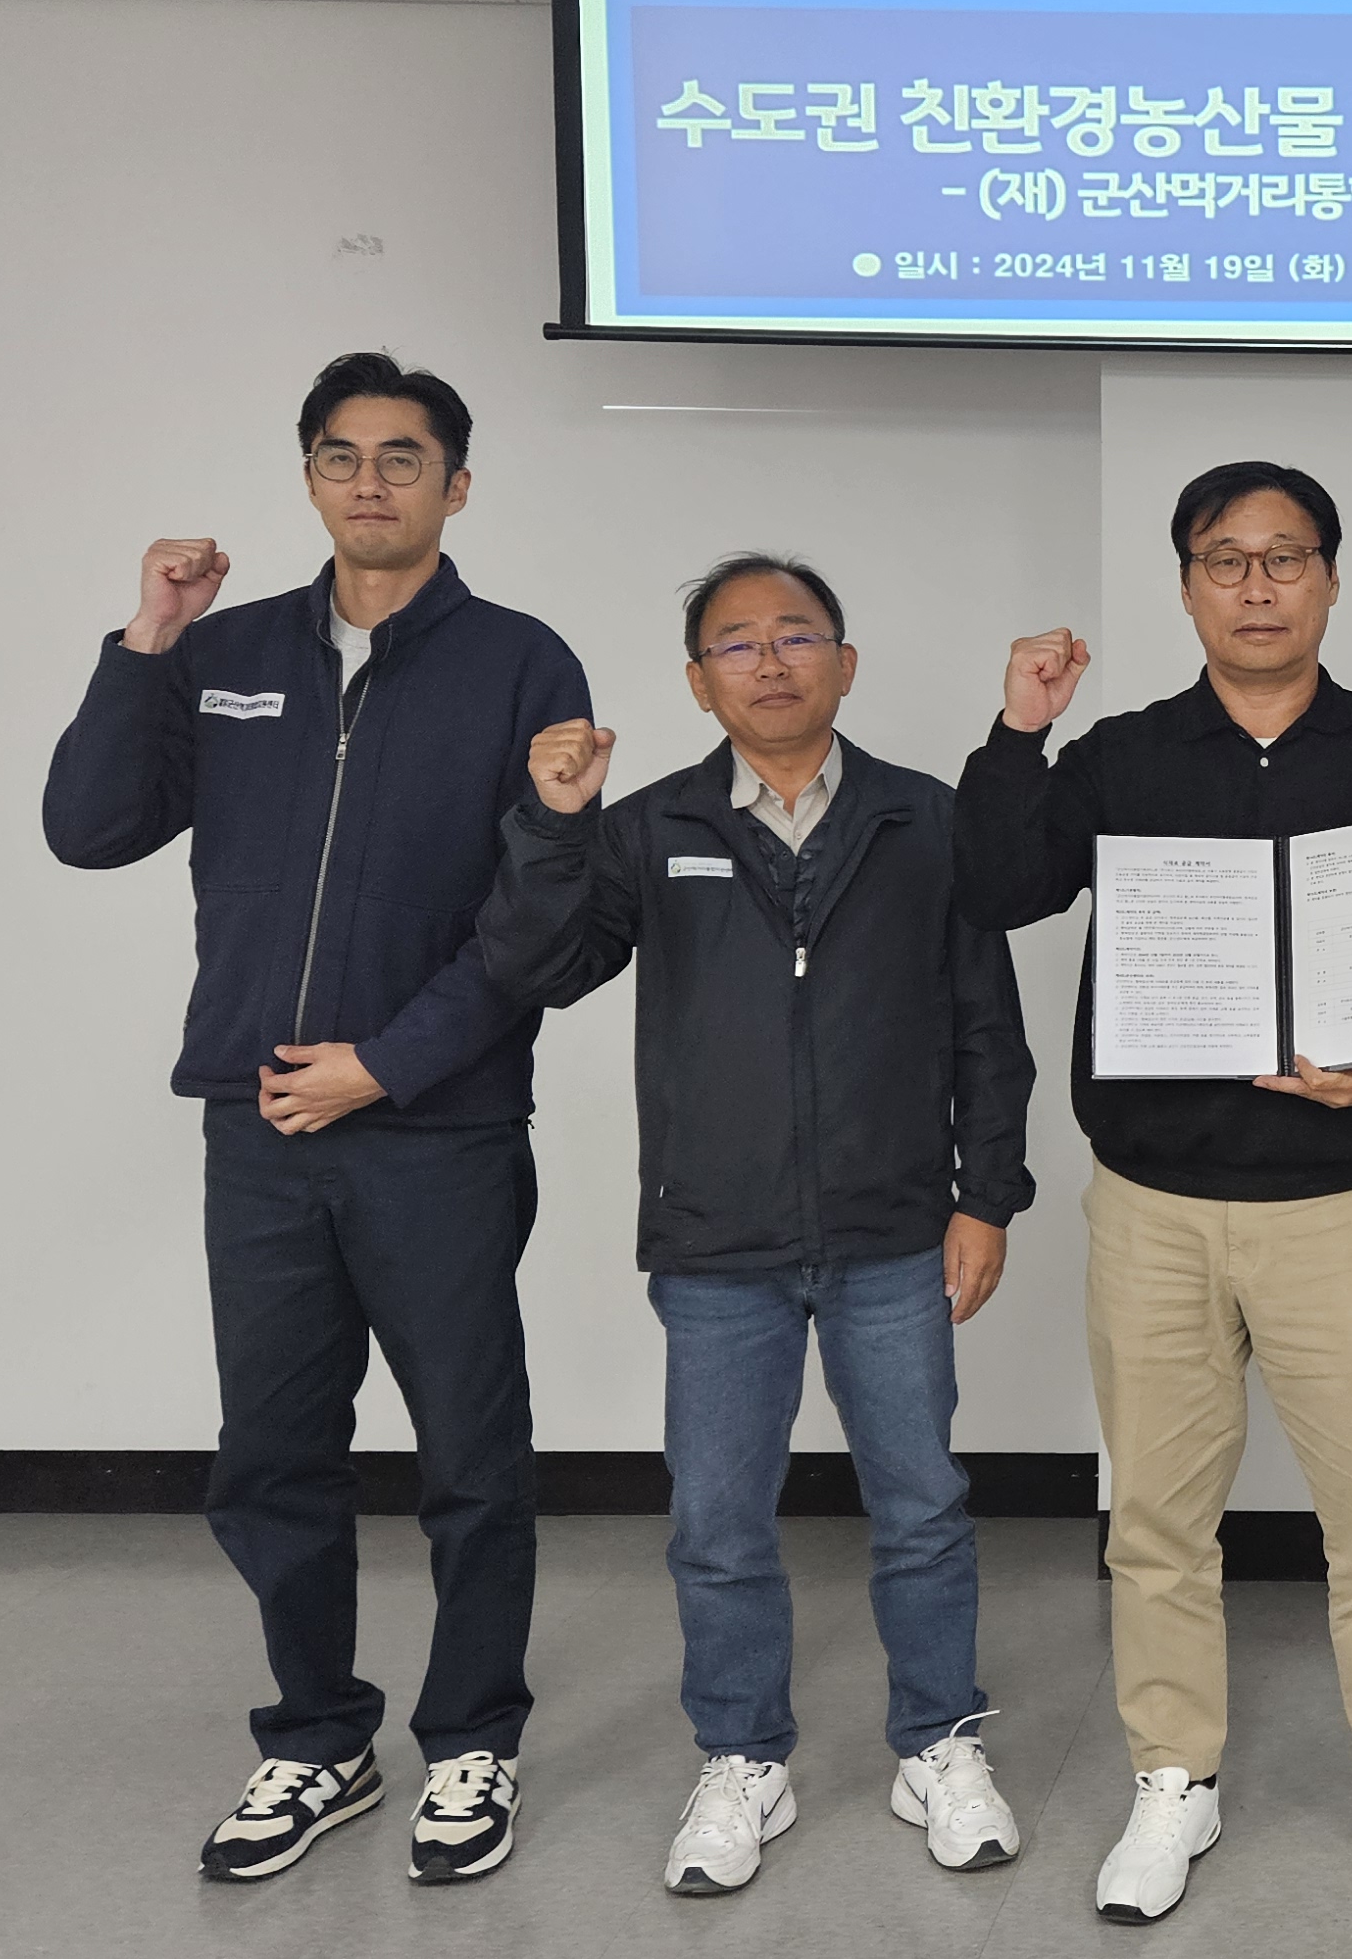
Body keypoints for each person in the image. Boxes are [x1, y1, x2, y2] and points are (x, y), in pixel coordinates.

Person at [42, 352, 585, 1886]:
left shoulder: (521, 663)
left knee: (472, 1456)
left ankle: (471, 1740)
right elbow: (88, 827)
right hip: (260, 1125)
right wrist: (148, 640)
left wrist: (385, 1067)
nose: (370, 481)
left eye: (403, 457)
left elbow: (533, 928)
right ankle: (318, 1740)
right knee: (273, 1454)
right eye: (341, 455)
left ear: (455, 486)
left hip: (438, 1131)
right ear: (308, 480)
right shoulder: (227, 652)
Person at [953, 463, 1352, 1925]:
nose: (1257, 586)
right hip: (1155, 1202)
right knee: (1157, 1516)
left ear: (1330, 580)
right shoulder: (1122, 755)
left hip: (1342, 1202)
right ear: (1188, 586)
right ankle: (1172, 1776)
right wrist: (1020, 729)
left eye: (1285, 558)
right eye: (1225, 560)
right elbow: (997, 887)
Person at [476, 553, 1035, 1900]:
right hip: (715, 1239)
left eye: (797, 636)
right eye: (738, 643)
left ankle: (939, 1744)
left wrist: (986, 1196)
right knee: (718, 1520)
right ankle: (742, 1759)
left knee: (922, 1505)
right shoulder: (649, 826)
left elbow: (986, 1024)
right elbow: (538, 966)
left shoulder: (924, 818)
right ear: (698, 681)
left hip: (894, 1228)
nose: (770, 661)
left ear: (846, 664)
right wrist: (553, 822)